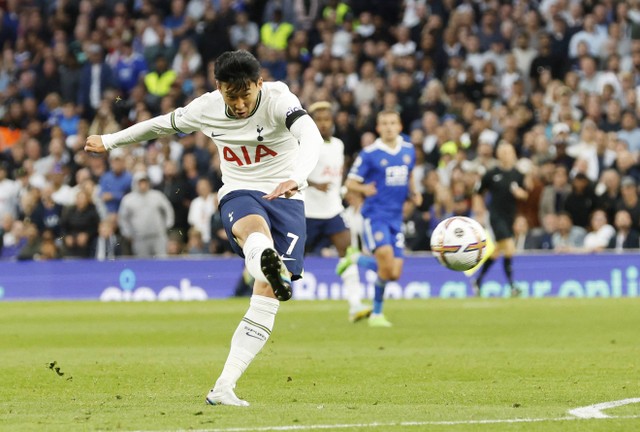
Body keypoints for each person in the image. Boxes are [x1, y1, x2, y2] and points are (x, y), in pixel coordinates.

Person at [85, 50, 321, 406]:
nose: (239, 104)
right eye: (231, 95)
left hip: (286, 194)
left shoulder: (279, 100)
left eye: (246, 95)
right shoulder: (205, 107)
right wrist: (111, 140)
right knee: (254, 232)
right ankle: (264, 257)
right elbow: (160, 124)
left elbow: (311, 136)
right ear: (218, 87)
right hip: (240, 190)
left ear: (259, 84)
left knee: (266, 298)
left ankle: (224, 386)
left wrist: (296, 177)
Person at [336, 110, 421, 327]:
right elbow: (350, 184)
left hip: (396, 217)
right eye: (384, 123)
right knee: (385, 259)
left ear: (400, 126)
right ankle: (376, 314)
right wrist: (364, 188)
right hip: (375, 216)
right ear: (378, 128)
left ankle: (355, 259)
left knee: (393, 273)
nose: (389, 127)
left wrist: (414, 193)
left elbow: (409, 174)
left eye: (393, 122)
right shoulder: (370, 154)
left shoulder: (408, 149)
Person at [305, 101, 371, 323]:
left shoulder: (338, 145)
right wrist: (314, 184)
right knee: (288, 260)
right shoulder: (304, 144)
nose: (323, 124)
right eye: (319, 120)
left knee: (348, 253)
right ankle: (254, 284)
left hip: (332, 210)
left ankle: (355, 305)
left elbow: (336, 176)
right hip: (307, 212)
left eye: (327, 119)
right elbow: (290, 172)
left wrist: (344, 191)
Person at [472, 141, 529, 297]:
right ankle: (512, 286)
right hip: (496, 216)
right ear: (498, 155)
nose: (506, 155)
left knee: (498, 251)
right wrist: (479, 209)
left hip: (510, 216)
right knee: (510, 248)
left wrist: (520, 194)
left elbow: (525, 194)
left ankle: (478, 281)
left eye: (508, 152)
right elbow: (478, 192)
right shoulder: (491, 173)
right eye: (503, 152)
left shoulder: (518, 174)